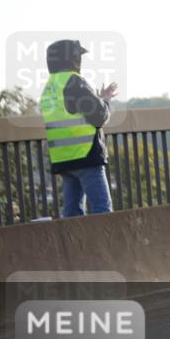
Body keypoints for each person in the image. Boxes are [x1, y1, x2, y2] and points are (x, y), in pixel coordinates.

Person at [40, 40, 117, 217]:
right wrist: (104, 101)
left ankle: (72, 245)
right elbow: (99, 116)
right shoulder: (74, 81)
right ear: (73, 58)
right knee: (103, 212)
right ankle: (105, 245)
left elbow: (71, 111)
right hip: (86, 156)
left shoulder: (50, 86)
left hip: (63, 159)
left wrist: (97, 98)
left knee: (72, 214)